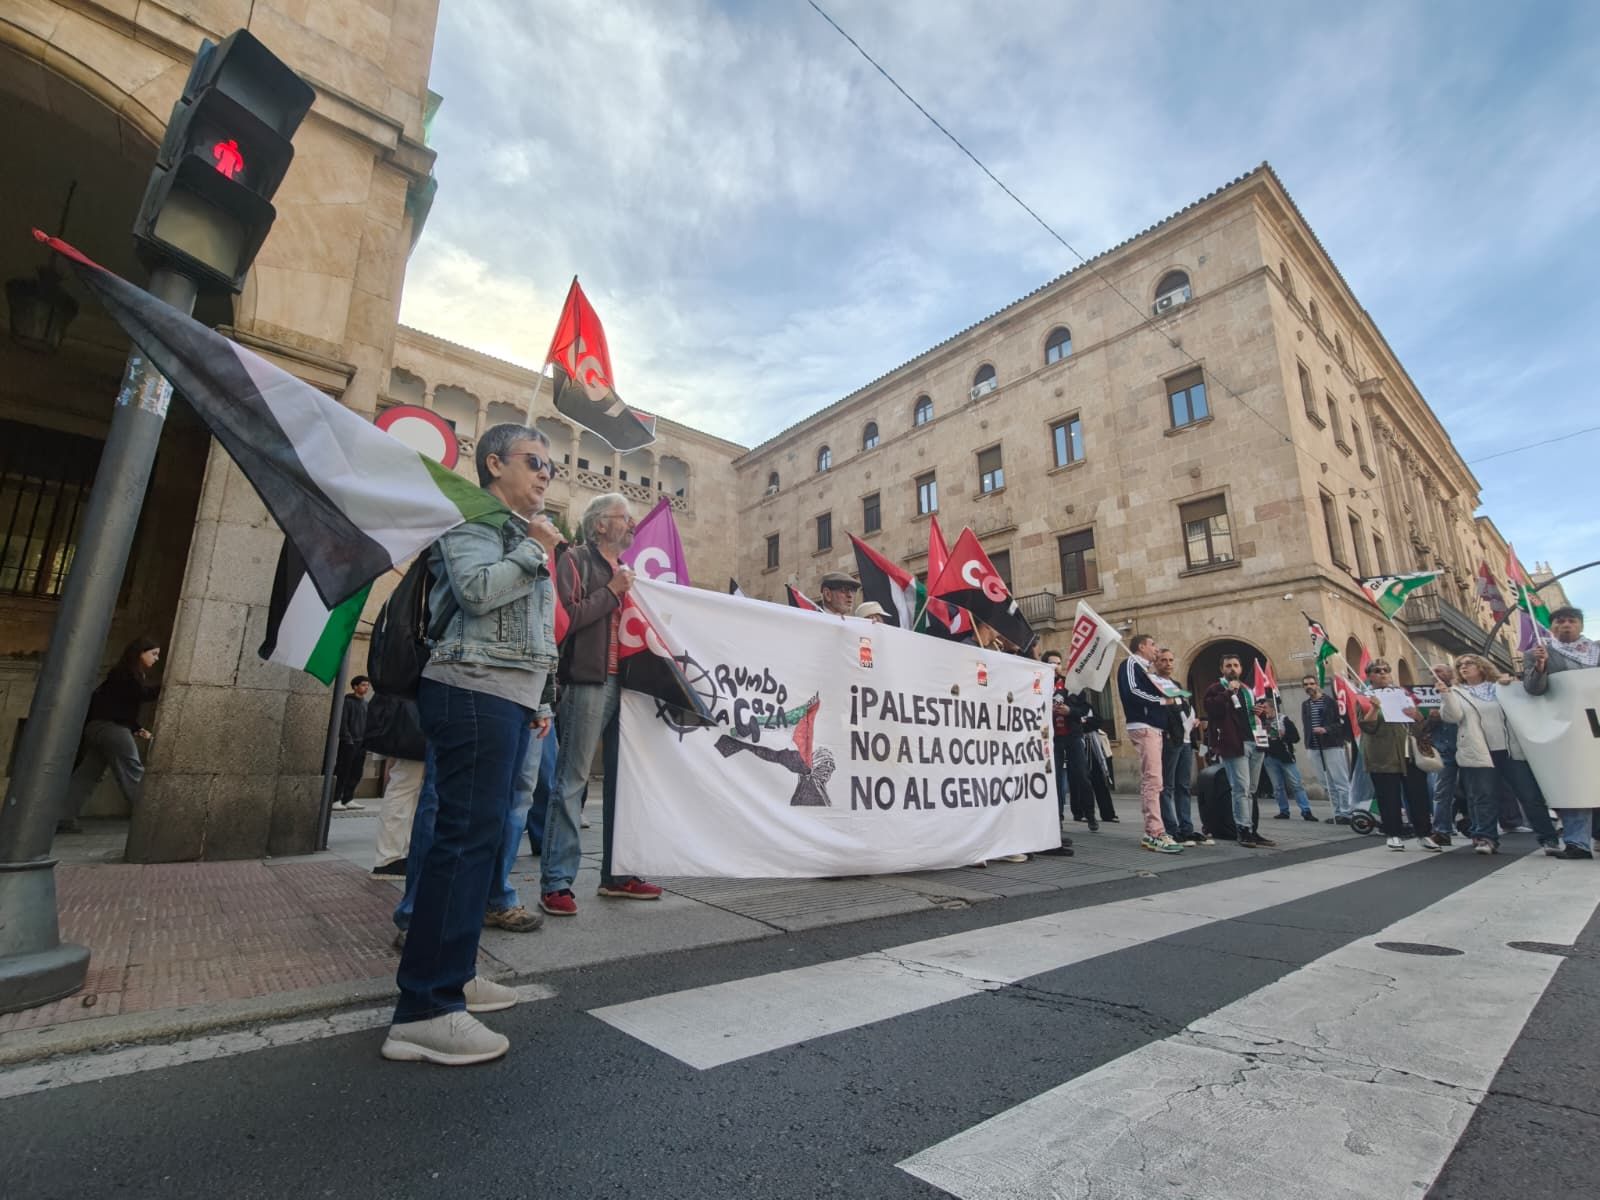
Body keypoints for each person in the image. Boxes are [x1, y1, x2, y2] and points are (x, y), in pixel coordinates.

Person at [381, 424, 560, 1067]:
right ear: (494, 464)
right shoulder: (472, 519)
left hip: (507, 696)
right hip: (471, 689)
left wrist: (540, 699)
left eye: (550, 466)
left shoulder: (516, 529)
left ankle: (453, 973)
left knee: (479, 842)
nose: (545, 474)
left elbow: (536, 629)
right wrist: (535, 549)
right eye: (534, 461)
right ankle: (425, 1009)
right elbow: (478, 593)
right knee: (461, 842)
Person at [540, 493, 663, 917]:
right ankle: (556, 882)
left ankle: (617, 874)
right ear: (599, 525)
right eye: (623, 517)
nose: (631, 524)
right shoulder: (575, 560)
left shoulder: (627, 571)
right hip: (587, 682)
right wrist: (612, 592)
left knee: (623, 785)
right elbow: (565, 619)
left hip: (627, 687)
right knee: (572, 781)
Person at [58, 636, 161, 833]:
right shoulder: (124, 673)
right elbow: (140, 695)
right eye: (153, 654)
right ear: (140, 653)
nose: (156, 659)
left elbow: (119, 706)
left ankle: (62, 818)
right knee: (133, 771)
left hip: (99, 728)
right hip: (111, 729)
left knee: (87, 775)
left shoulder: (124, 674)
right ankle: (152, 819)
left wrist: (135, 727)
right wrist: (167, 685)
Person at [1522, 606, 1598, 859]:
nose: (1566, 625)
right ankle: (1577, 843)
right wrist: (1541, 666)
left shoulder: (1597, 650)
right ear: (1551, 627)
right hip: (1568, 727)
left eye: (1571, 621)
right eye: (1560, 621)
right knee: (1575, 782)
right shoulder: (1537, 653)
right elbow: (1534, 689)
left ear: (1581, 625)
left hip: (1596, 722)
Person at [1357, 660, 1437, 852]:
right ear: (1370, 676)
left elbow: (1420, 725)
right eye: (1377, 671)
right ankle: (1393, 834)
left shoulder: (1404, 694)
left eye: (1386, 670)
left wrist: (1418, 717)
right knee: (1388, 796)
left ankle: (1424, 834)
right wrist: (1374, 709)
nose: (1383, 673)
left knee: (1418, 795)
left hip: (1409, 752)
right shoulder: (1364, 697)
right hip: (1382, 755)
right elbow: (1367, 727)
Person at [1118, 634, 1183, 855]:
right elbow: (1132, 692)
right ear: (1141, 646)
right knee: (1153, 780)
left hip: (1154, 727)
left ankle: (1154, 831)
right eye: (1152, 644)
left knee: (1156, 779)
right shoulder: (1130, 663)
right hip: (1144, 725)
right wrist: (1162, 700)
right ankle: (1155, 832)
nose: (1156, 649)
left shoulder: (1146, 669)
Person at [1203, 655, 1271, 848]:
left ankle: (1252, 829)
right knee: (1241, 788)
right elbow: (1212, 709)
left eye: (1235, 665)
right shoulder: (1216, 688)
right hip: (1234, 744)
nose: (1232, 668)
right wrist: (1227, 692)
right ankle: (1243, 829)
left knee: (1252, 789)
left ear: (1241, 668)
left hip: (1255, 741)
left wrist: (1260, 712)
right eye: (1228, 665)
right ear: (1222, 669)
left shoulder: (1247, 689)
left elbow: (1254, 715)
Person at [364, 691, 426, 877]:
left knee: (409, 787)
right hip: (415, 718)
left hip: (413, 716)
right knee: (405, 784)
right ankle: (389, 857)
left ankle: (396, 855)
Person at [1150, 647, 1204, 845]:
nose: (1168, 664)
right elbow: (1158, 707)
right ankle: (1172, 829)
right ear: (1156, 662)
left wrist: (1193, 720)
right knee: (1167, 786)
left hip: (1186, 740)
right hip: (1170, 739)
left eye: (1171, 660)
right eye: (1163, 660)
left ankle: (1186, 828)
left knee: (1184, 785)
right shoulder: (1153, 683)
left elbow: (1184, 707)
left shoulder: (1176, 684)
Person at [1300, 674, 1354, 824]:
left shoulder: (1330, 702)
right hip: (1314, 747)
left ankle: (1347, 813)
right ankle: (1337, 813)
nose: (1309, 686)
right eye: (1306, 684)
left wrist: (1326, 729)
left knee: (1340, 781)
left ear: (1317, 684)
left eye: (1311, 683)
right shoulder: (1305, 705)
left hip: (1331, 745)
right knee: (1326, 783)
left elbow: (1341, 724)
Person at [1424, 664, 1462, 844]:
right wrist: (1431, 720)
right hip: (1443, 750)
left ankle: (1476, 827)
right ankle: (1441, 830)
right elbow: (1423, 728)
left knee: (1472, 790)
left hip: (1465, 746)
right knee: (1442, 792)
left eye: (1439, 670)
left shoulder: (1461, 691)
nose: (1435, 674)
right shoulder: (1427, 696)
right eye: (1432, 672)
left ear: (1450, 673)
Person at [1260, 699, 1315, 821]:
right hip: (1270, 757)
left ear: (1272, 708)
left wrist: (1284, 735)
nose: (1264, 710)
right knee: (1277, 787)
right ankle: (1283, 810)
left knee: (1296, 784)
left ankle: (1306, 811)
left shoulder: (1283, 720)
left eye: (1265, 707)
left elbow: (1296, 738)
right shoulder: (1262, 722)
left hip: (1285, 757)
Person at [333, 676, 372, 812]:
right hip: (349, 742)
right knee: (343, 770)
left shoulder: (366, 704)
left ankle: (348, 798)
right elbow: (343, 722)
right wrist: (347, 739)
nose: (366, 688)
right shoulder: (347, 702)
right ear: (355, 686)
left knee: (356, 772)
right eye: (363, 685)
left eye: (367, 685)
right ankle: (336, 799)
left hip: (361, 743)